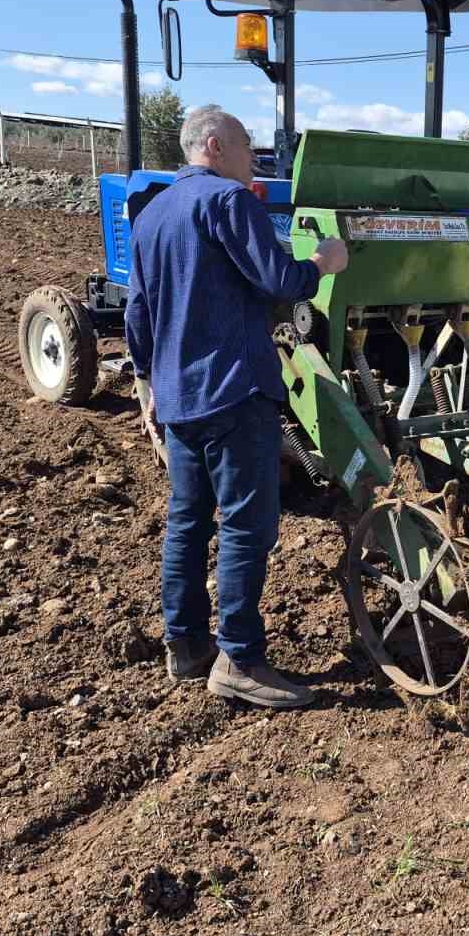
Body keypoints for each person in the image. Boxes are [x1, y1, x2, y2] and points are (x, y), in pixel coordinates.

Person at [124, 105, 349, 709]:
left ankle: (187, 645)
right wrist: (323, 263)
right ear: (217, 145)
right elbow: (279, 279)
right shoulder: (229, 202)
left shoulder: (150, 218)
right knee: (249, 526)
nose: (255, 158)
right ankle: (241, 659)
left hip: (179, 397)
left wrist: (149, 389)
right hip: (234, 389)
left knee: (188, 520)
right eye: (249, 146)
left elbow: (138, 315)